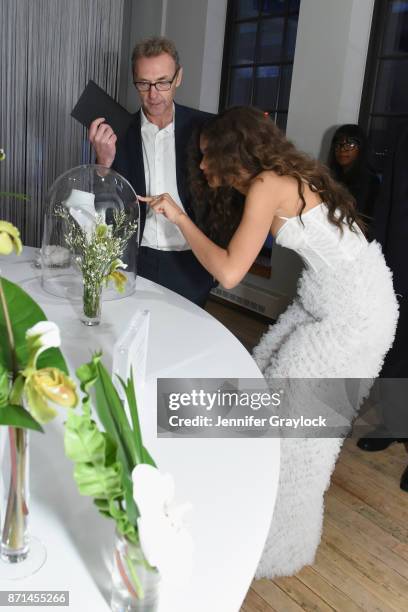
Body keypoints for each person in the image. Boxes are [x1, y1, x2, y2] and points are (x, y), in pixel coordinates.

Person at [138, 106, 398, 578]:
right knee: (259, 397)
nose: (200, 166)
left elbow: (230, 274)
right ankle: (244, 501)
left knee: (296, 437)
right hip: (333, 300)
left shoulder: (266, 184)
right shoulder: (270, 178)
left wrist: (178, 217)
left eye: (205, 156)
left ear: (230, 151)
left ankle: (278, 546)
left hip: (355, 317)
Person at [88, 36, 214, 306]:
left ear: (178, 78)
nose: (153, 94)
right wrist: (103, 164)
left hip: (192, 263)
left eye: (163, 82)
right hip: (136, 259)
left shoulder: (206, 128)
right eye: (144, 84)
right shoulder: (116, 133)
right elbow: (104, 213)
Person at [357, 122, 408, 491]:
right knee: (395, 352)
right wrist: (380, 259)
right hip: (402, 257)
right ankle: (394, 424)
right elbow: (390, 198)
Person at [328, 124, 380, 228]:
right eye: (338, 144)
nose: (342, 149)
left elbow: (364, 220)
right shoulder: (329, 176)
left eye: (350, 145)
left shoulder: (370, 180)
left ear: (361, 149)